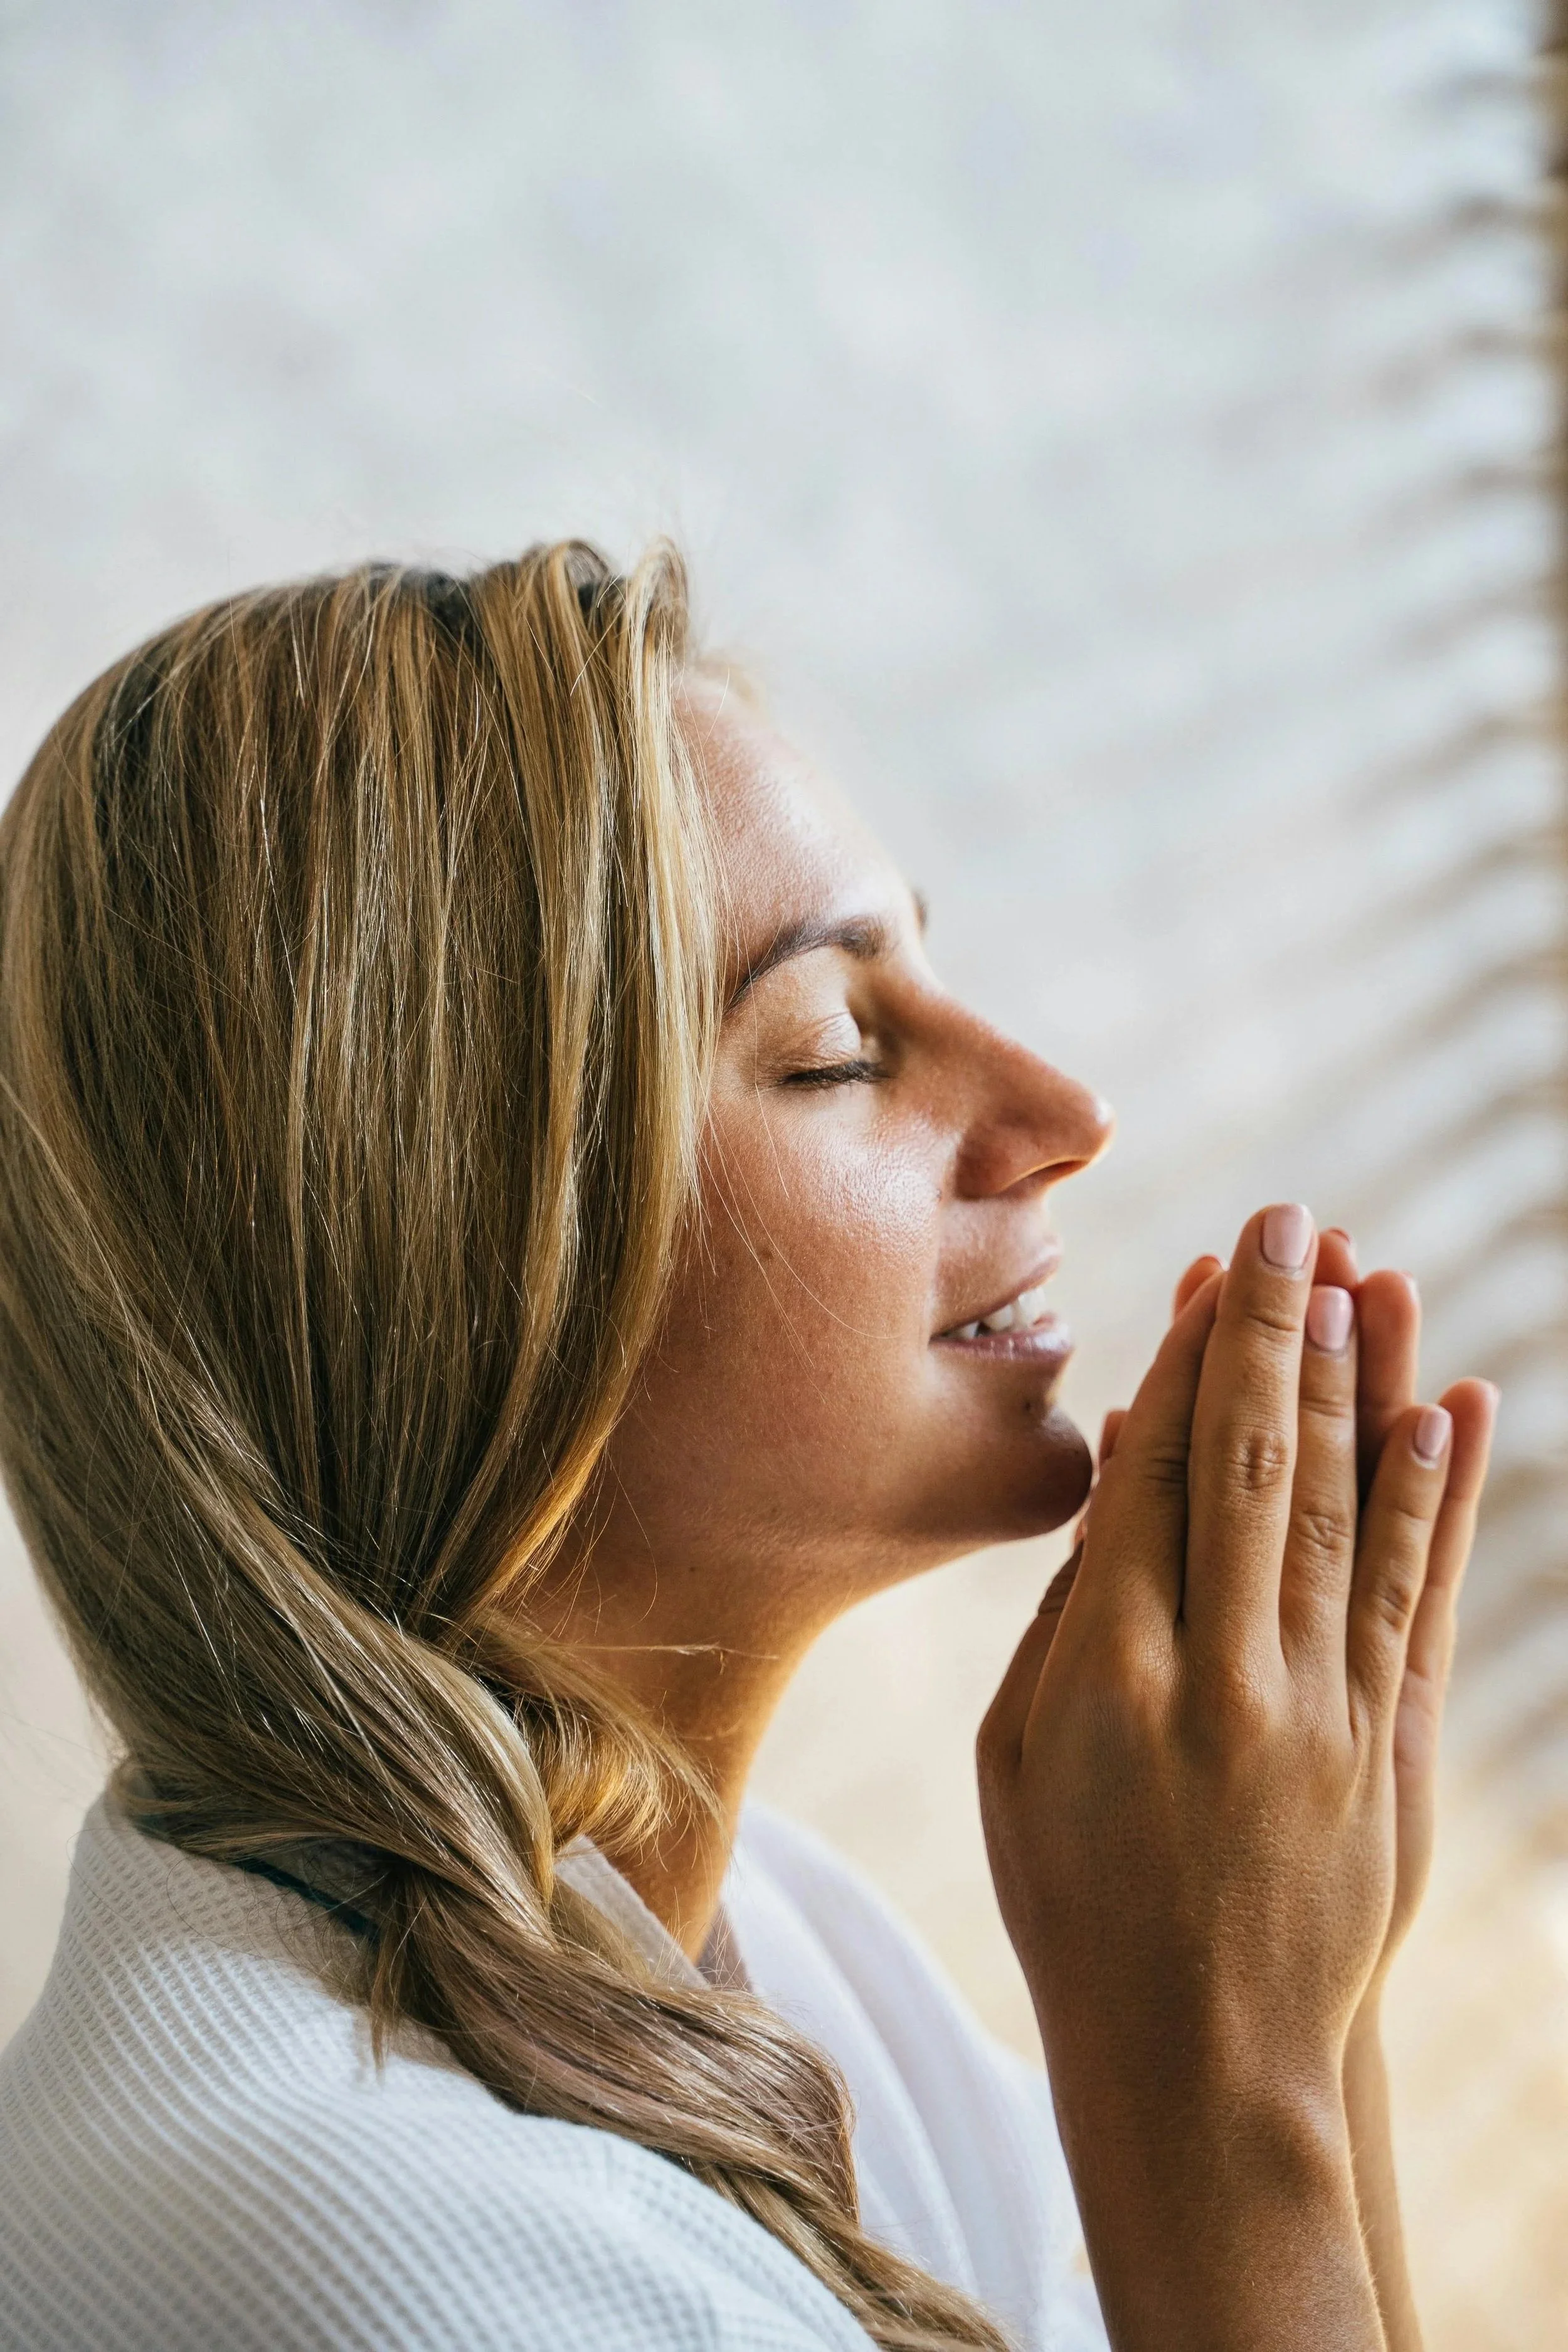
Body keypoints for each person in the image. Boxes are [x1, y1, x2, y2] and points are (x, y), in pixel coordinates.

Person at [0, 543, 1496, 2352]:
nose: (1061, 1115)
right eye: (834, 1045)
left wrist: (1307, 1997)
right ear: (464, 1263)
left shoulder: (783, 1955)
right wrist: (1223, 2090)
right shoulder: (348, 2256)